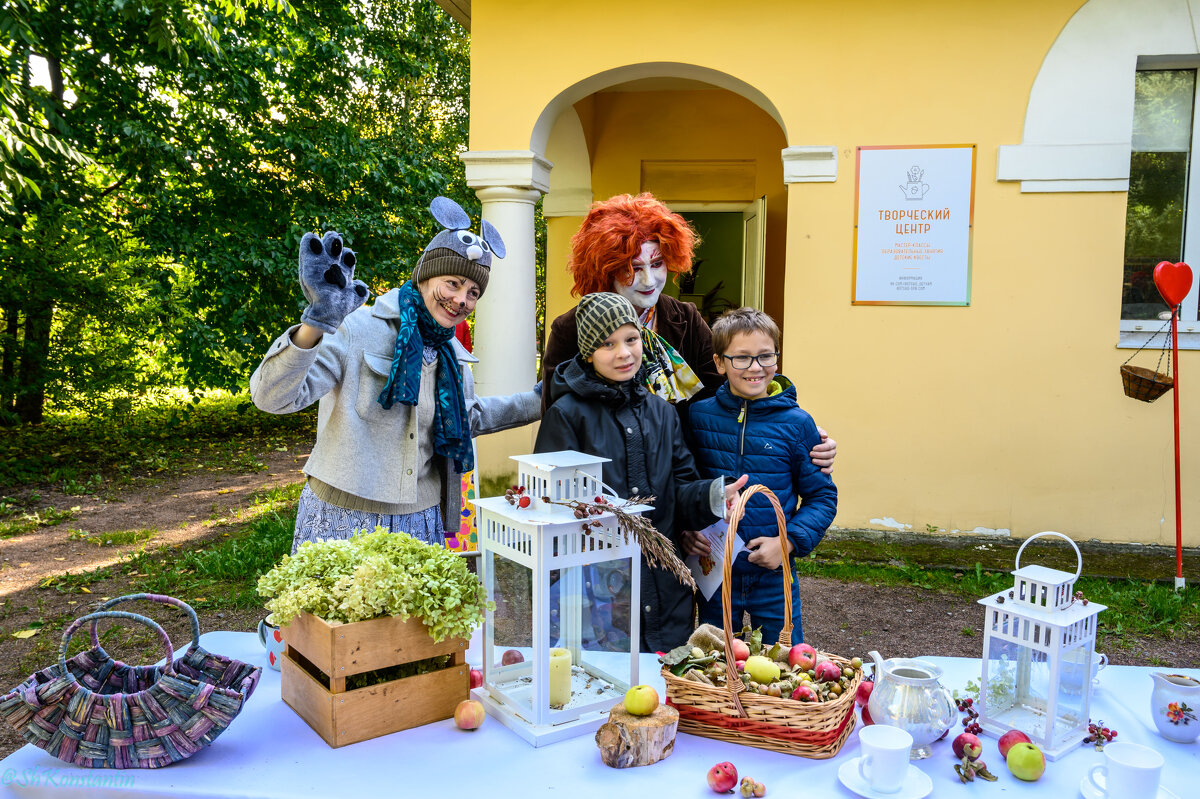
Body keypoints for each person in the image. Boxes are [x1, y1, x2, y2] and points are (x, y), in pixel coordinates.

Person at [250, 197, 540, 552]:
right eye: (453, 283)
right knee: (331, 610)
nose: (462, 300)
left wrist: (542, 400)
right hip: (342, 516)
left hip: (420, 519)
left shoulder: (453, 356)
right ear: (424, 276)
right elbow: (272, 398)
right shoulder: (357, 328)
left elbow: (469, 417)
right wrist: (316, 324)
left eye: (473, 292)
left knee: (411, 612)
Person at [541, 192, 838, 471]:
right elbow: (557, 416)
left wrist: (797, 431)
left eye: (657, 264)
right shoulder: (570, 328)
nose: (649, 280)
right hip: (605, 479)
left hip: (682, 473)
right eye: (632, 268)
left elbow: (726, 393)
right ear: (605, 268)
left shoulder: (685, 316)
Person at [535, 292, 748, 653]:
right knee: (602, 691)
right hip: (598, 594)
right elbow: (553, 508)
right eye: (608, 343)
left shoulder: (661, 412)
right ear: (588, 352)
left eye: (631, 339)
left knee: (663, 692)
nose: (624, 353)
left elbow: (679, 487)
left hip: (666, 588)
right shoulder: (567, 415)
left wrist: (712, 495)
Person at [683, 307, 837, 646]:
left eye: (765, 356)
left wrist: (788, 542)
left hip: (773, 572)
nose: (755, 367)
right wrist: (687, 529)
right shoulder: (697, 416)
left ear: (777, 360)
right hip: (715, 571)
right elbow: (683, 484)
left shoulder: (798, 424)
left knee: (784, 664)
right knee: (717, 664)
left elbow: (822, 497)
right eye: (741, 358)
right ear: (720, 363)